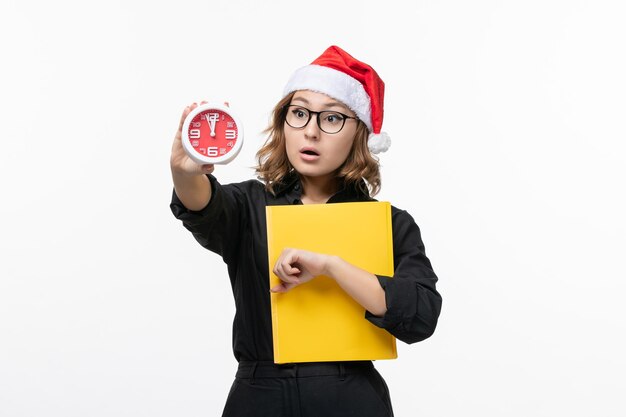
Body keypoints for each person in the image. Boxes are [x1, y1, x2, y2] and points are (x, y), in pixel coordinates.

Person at [169, 45, 442, 417]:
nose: (311, 131)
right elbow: (202, 206)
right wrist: (186, 171)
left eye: (331, 119)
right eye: (299, 114)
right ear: (284, 123)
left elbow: (420, 314)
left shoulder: (391, 223)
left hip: (351, 397)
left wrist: (332, 267)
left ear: (359, 133)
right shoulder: (250, 205)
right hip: (258, 394)